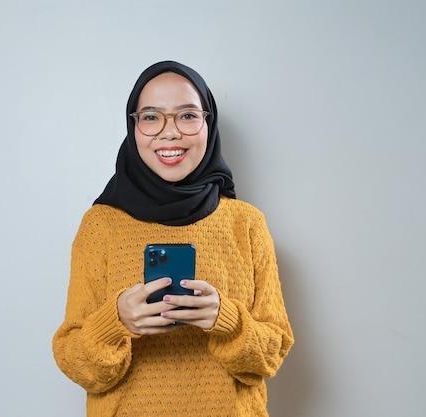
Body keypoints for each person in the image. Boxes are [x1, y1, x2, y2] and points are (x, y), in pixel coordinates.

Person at [52, 61, 294, 417]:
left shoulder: (246, 224)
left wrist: (225, 320)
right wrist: (115, 321)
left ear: (207, 125)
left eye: (187, 116)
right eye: (151, 117)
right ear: (133, 126)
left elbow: (271, 356)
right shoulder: (100, 225)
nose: (169, 133)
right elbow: (79, 365)